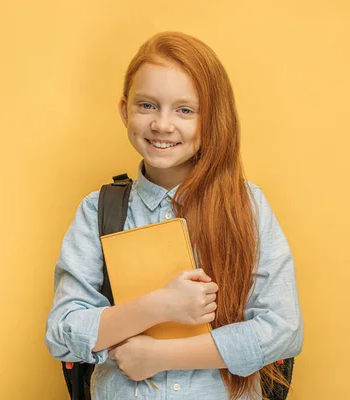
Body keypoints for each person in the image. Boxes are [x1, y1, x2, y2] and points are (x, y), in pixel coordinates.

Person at [44, 31, 303, 399]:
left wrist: (159, 356)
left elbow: (282, 330)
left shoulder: (247, 206)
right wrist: (157, 306)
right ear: (124, 110)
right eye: (147, 105)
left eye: (185, 110)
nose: (162, 125)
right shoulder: (98, 210)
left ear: (212, 118)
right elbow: (62, 333)